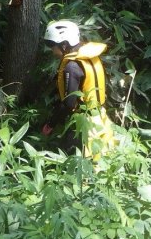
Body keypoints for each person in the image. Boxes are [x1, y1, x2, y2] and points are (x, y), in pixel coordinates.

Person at [41, 20, 115, 158]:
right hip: (99, 115)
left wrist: (51, 124)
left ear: (64, 45)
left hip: (84, 121)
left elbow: (69, 104)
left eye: (52, 46)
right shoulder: (88, 56)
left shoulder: (72, 67)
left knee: (65, 159)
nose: (52, 50)